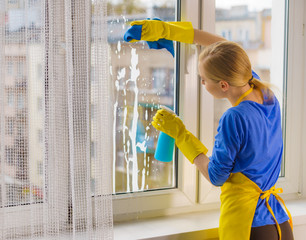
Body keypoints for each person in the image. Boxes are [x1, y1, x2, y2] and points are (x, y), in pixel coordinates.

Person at [124, 20, 294, 240]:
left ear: (223, 85)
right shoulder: (266, 94)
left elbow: (216, 176)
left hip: (249, 226)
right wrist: (170, 31)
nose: (202, 83)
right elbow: (230, 51)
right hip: (278, 222)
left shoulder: (235, 117)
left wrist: (180, 135)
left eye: (203, 79)